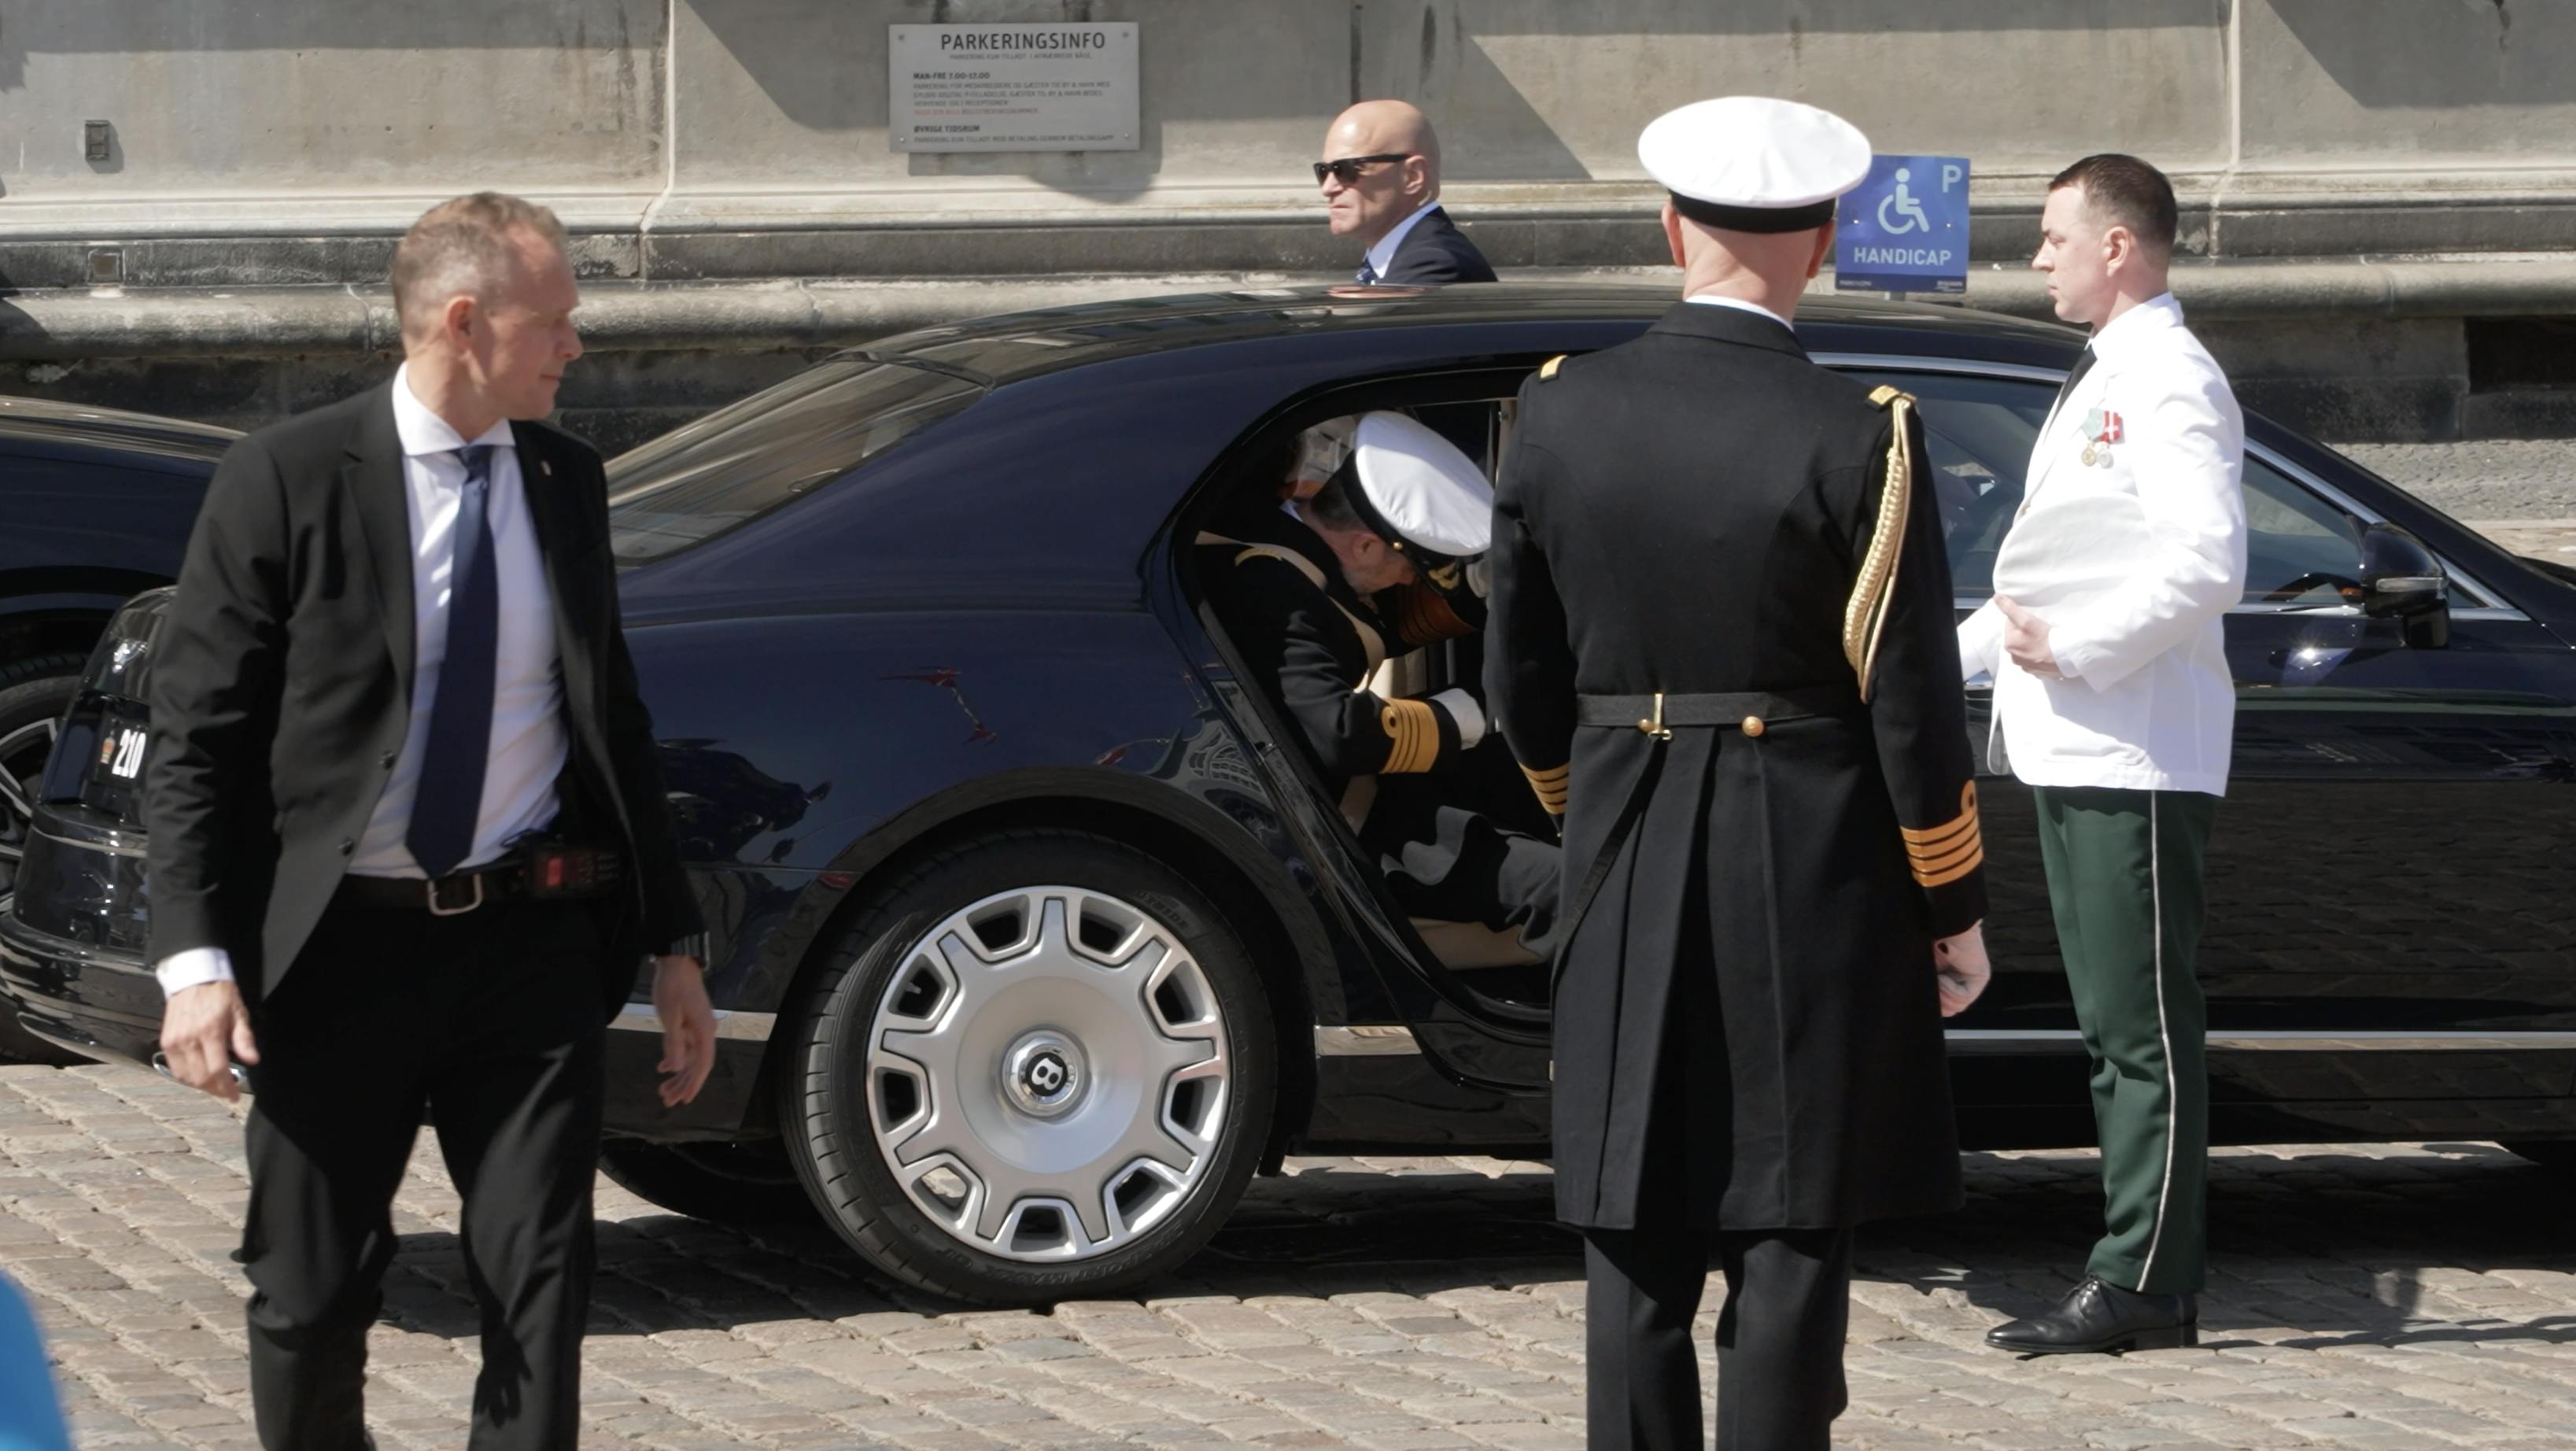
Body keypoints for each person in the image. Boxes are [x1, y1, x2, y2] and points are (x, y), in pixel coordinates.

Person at [145, 192, 718, 1451]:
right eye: (556, 322)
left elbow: (610, 714)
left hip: (526, 950)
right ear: (465, 322)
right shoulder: (285, 478)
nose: (578, 347)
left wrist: (674, 943)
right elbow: (197, 738)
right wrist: (194, 964)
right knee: (307, 1292)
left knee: (541, 1286)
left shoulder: (567, 479)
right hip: (335, 956)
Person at [1485, 96, 1993, 1449]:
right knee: (1787, 1223)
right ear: (1822, 242)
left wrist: (1591, 810)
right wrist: (1948, 904)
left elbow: (1516, 683)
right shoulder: (1858, 431)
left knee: (1630, 1221)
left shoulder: (1550, 415)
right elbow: (1908, 706)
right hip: (1812, 855)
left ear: (1666, 228)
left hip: (1623, 834)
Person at [1968, 154, 2246, 1357]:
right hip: (2079, 738)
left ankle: (2146, 1275)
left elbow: (2205, 564)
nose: (2037, 258)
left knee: (2141, 1032)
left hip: (2128, 743)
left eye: (2050, 237)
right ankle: (2136, 1261)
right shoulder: (2113, 373)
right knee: (2108, 1025)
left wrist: (2070, 650)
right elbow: (2055, 566)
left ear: (2117, 245)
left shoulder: (2170, 378)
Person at [1201, 412, 1556, 961]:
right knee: (1564, 888)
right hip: (1347, 828)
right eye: (1410, 565)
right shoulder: (1275, 587)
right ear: (1367, 546)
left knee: (1525, 774)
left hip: (1368, 794)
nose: (1411, 579)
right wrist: (1468, 715)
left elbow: (1367, 625)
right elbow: (1336, 733)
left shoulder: (1292, 534)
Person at [1316, 100, 1497, 286]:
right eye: (1323, 171)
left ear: (1412, 176)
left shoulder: (1434, 264)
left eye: (1345, 170)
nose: (1328, 189)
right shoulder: (1403, 258)